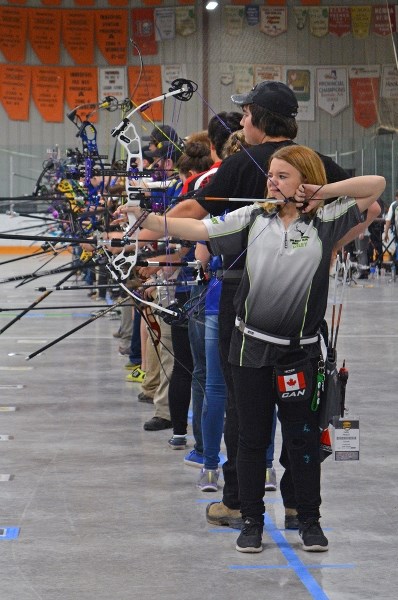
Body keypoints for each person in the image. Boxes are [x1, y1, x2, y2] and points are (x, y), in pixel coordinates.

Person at [121, 145, 386, 554]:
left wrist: (322, 190)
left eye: (283, 176)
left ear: (304, 181)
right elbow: (200, 230)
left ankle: (310, 521)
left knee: (302, 439)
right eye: (271, 175)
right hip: (250, 350)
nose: (273, 182)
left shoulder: (326, 221)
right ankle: (251, 521)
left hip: (299, 352)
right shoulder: (252, 218)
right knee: (250, 438)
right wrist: (149, 219)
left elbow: (376, 186)